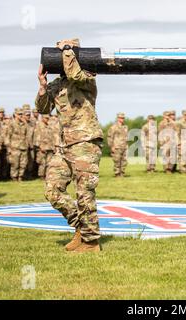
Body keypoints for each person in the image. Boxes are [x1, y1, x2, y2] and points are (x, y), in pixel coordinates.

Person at [36, 38, 104, 252]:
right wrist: (42, 87)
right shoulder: (57, 85)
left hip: (86, 142)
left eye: (67, 52)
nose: (62, 56)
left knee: (84, 193)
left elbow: (74, 73)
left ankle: (91, 242)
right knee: (52, 189)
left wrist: (66, 49)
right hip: (65, 145)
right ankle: (80, 228)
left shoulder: (87, 77)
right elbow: (43, 109)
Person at [6, 108, 29, 182]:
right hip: (14, 147)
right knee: (15, 164)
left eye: (21, 114)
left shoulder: (24, 124)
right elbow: (7, 136)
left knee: (23, 164)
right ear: (15, 114)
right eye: (19, 114)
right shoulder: (11, 123)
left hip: (23, 147)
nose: (20, 115)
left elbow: (26, 135)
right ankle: (14, 178)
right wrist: (8, 148)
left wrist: (27, 145)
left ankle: (20, 177)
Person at [107, 113, 128, 177]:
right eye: (121, 118)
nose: (122, 119)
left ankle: (122, 173)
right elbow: (110, 137)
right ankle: (117, 174)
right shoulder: (113, 127)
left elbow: (126, 137)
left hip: (124, 146)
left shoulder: (125, 127)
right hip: (116, 146)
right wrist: (111, 146)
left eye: (123, 118)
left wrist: (127, 145)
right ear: (118, 118)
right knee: (117, 161)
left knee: (124, 161)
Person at [34, 114, 55, 179]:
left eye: (48, 118)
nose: (47, 119)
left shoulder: (50, 126)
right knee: (42, 163)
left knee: (49, 163)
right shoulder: (39, 125)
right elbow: (36, 137)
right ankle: (41, 176)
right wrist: (40, 146)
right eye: (46, 118)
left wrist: (54, 146)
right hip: (42, 147)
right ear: (42, 118)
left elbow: (52, 136)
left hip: (50, 147)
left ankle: (47, 175)